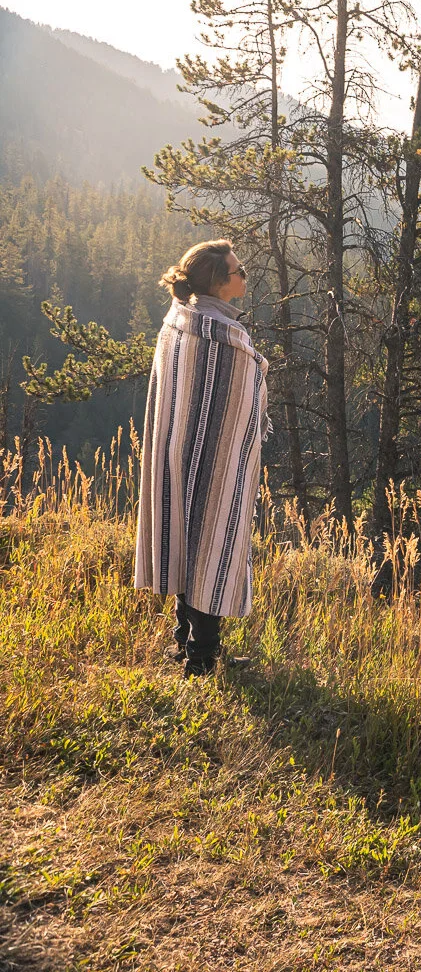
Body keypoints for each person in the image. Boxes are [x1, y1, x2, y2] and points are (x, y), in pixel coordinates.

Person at [134, 239, 270, 676]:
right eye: (239, 270)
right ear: (218, 282)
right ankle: (202, 658)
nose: (245, 276)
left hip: (176, 449)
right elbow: (238, 401)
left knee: (184, 539)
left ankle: (184, 642)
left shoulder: (178, 321)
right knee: (211, 543)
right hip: (215, 459)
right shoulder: (225, 338)